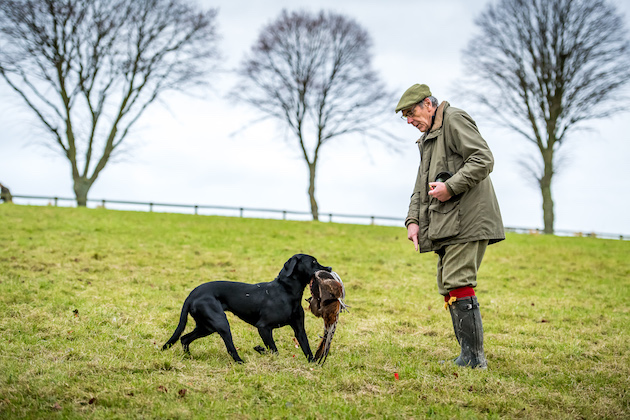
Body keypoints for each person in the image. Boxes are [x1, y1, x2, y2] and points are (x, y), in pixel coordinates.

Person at [396, 84, 504, 369]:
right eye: (404, 116)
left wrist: (450, 187)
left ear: (429, 105)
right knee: (447, 285)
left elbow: (483, 158)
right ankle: (467, 355)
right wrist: (413, 221)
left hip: (469, 218)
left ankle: (473, 359)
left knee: (458, 281)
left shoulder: (455, 119)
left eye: (411, 112)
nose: (409, 120)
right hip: (447, 221)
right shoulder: (428, 137)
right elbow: (421, 186)